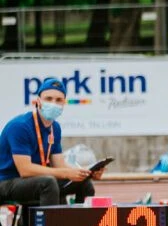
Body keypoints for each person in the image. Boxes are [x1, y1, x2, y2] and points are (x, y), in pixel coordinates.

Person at [0, 78, 103, 210]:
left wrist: (87, 173)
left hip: (33, 181)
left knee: (84, 183)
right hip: (6, 182)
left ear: (64, 104)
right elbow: (25, 170)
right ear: (38, 101)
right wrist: (66, 173)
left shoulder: (55, 128)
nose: (53, 103)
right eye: (48, 99)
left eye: (59, 100)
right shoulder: (20, 126)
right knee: (48, 183)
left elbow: (59, 166)